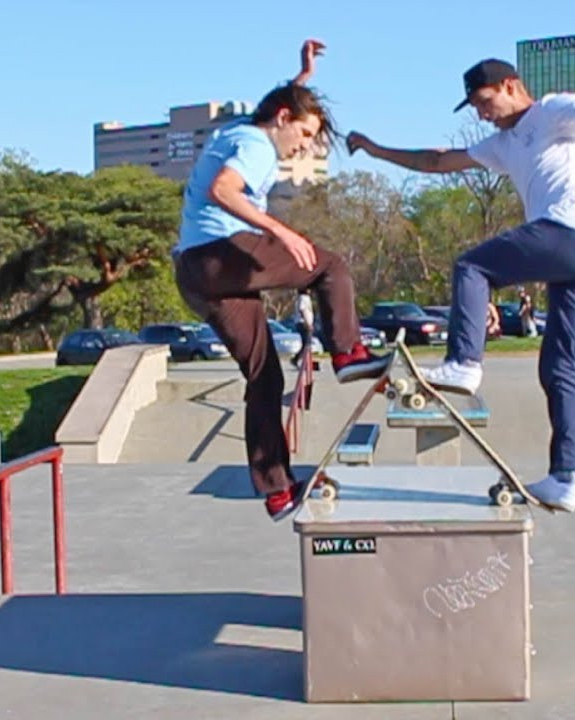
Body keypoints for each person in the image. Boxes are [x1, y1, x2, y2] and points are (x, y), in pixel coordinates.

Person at [346, 58, 575, 512]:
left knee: (472, 267)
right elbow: (437, 161)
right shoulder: (503, 144)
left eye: (485, 102)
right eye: (476, 108)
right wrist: (377, 151)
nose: (483, 114)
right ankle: (565, 478)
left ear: (510, 85)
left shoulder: (553, 110)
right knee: (558, 367)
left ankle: (464, 361)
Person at [173, 39, 391, 521]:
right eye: (305, 134)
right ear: (283, 119)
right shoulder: (254, 143)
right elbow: (222, 190)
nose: (304, 146)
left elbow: (278, 102)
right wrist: (280, 230)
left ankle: (276, 488)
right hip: (222, 253)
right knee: (327, 265)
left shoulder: (242, 128)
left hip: (195, 274)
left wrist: (303, 77)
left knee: (265, 376)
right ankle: (348, 354)